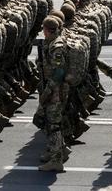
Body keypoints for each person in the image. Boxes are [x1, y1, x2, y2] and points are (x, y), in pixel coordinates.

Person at [36, 16, 68, 172]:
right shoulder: (51, 43)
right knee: (50, 122)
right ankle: (60, 149)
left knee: (53, 124)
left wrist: (48, 91)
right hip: (51, 88)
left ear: (47, 30)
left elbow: (59, 72)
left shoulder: (57, 47)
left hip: (55, 91)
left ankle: (56, 159)